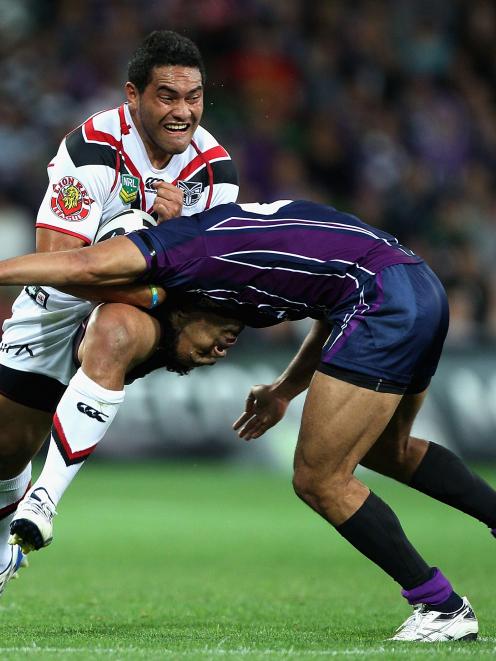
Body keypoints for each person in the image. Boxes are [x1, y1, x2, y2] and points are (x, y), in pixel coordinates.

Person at [1, 199, 494, 642]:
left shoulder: (176, 254)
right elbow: (328, 301)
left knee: (320, 479)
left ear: (177, 306)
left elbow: (79, 263)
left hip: (384, 297)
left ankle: (440, 607)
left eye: (203, 348)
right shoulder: (237, 293)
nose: (218, 351)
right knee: (390, 449)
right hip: (417, 284)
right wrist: (284, 390)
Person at [0, 30, 238, 595]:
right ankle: (9, 533)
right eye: (167, 97)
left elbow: (205, 282)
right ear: (133, 95)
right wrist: (151, 242)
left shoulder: (215, 171)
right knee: (6, 448)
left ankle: (45, 501)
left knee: (115, 328)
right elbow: (58, 262)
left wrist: (163, 262)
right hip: (57, 305)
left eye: (194, 97)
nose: (183, 112)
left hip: (142, 315)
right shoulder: (93, 147)